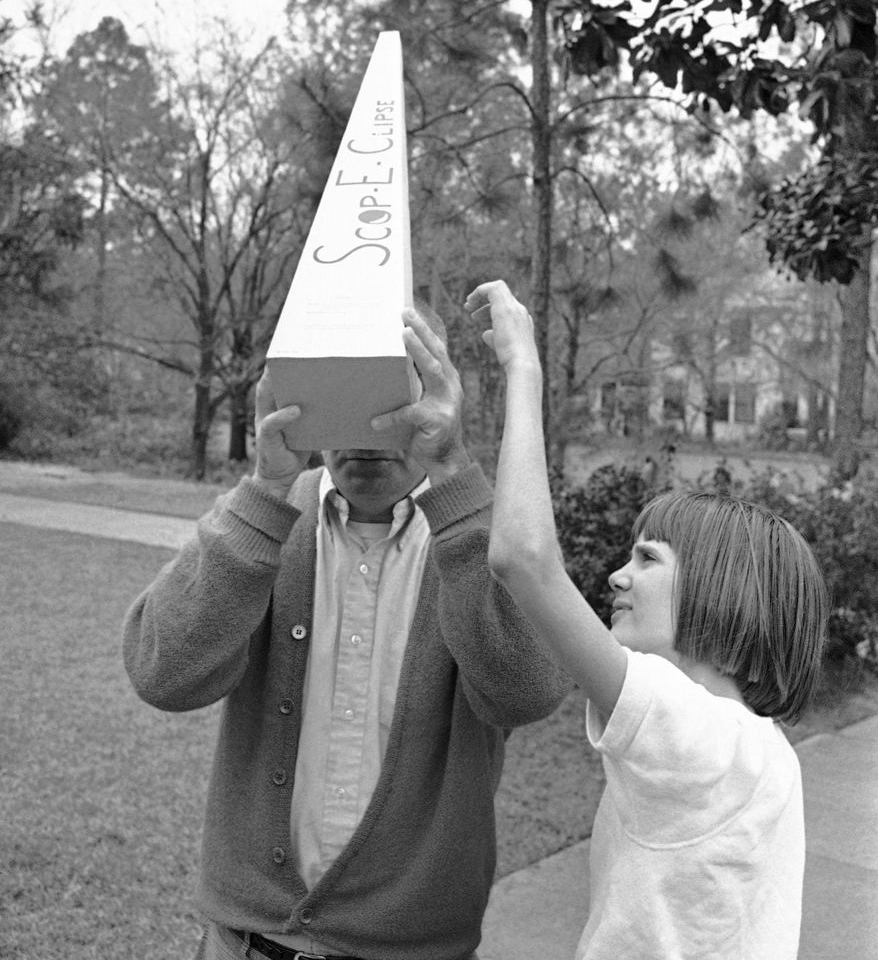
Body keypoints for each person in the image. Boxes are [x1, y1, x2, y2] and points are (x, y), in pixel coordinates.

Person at [122, 303, 569, 960]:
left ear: (436, 393)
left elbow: (527, 692)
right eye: (341, 390)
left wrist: (452, 472)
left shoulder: (482, 535)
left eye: (390, 394)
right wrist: (265, 487)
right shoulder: (265, 519)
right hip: (245, 942)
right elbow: (162, 673)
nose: (365, 429)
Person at [464, 279, 829, 960]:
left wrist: (523, 370)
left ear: (722, 588)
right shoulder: (748, 749)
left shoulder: (713, 744)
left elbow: (522, 557)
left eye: (648, 558)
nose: (617, 576)